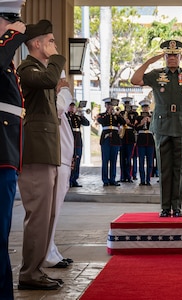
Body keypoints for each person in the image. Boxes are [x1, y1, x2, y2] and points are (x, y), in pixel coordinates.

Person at [17, 19, 66, 290]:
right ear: (37, 44)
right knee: (37, 214)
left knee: (45, 215)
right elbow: (48, 80)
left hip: (46, 151)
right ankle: (29, 273)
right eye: (50, 41)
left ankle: (35, 270)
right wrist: (57, 58)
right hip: (36, 152)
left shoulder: (39, 69)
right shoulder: (28, 68)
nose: (54, 46)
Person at [130, 39, 182, 217]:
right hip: (161, 127)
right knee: (164, 168)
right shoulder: (157, 74)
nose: (172, 58)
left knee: (179, 168)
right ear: (165, 56)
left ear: (180, 56)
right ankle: (164, 207)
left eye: (175, 55)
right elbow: (135, 79)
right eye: (168, 55)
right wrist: (149, 61)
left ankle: (177, 207)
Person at [0, 1, 26, 297]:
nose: (15, 26)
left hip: (6, 155)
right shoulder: (5, 48)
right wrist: (11, 38)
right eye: (9, 21)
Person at [42, 77, 74, 269]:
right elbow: (60, 106)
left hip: (61, 156)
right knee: (49, 209)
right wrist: (62, 90)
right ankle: (46, 254)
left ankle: (51, 250)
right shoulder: (53, 99)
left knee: (55, 209)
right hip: (54, 156)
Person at [97, 97, 126, 187]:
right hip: (105, 139)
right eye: (108, 105)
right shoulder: (101, 115)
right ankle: (105, 180)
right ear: (105, 105)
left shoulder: (116, 116)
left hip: (115, 139)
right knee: (105, 160)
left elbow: (123, 122)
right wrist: (108, 114)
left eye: (111, 105)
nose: (110, 107)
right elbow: (100, 121)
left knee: (113, 160)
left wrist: (117, 114)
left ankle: (112, 179)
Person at [68, 101, 90, 188]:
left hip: (78, 141)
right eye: (71, 106)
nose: (72, 108)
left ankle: (74, 179)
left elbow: (87, 123)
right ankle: (69, 179)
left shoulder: (78, 117)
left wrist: (81, 115)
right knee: (70, 161)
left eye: (73, 107)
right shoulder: (67, 116)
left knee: (77, 160)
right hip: (70, 139)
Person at [134, 99, 155, 186]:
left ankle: (148, 179)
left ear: (149, 108)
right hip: (141, 140)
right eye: (143, 107)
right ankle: (142, 180)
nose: (145, 109)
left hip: (150, 140)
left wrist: (151, 122)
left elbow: (156, 128)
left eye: (146, 107)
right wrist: (141, 123)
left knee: (150, 162)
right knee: (141, 161)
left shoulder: (152, 117)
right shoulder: (138, 117)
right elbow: (135, 128)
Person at [119, 97, 137, 183]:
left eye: (128, 105)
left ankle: (129, 176)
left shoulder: (134, 114)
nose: (127, 106)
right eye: (125, 105)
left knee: (129, 158)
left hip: (130, 137)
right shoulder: (121, 113)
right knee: (122, 158)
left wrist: (128, 122)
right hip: (122, 137)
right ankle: (122, 176)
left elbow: (136, 126)